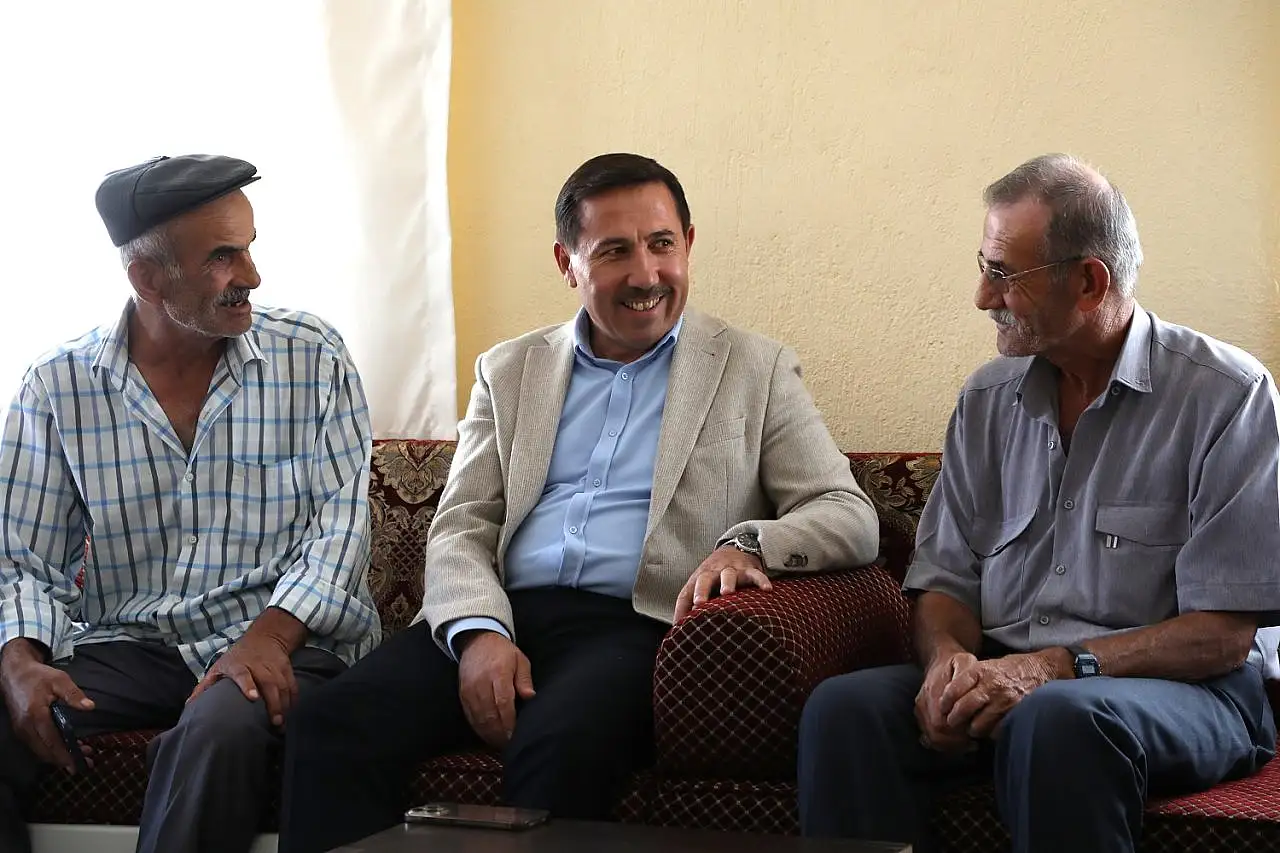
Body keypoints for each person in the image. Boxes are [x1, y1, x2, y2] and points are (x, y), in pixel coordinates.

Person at [279, 151, 880, 853]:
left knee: (558, 745)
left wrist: (747, 544)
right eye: (615, 251)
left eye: (662, 244)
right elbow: (462, 524)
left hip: (634, 625)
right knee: (329, 724)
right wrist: (478, 634)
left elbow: (847, 513)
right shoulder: (509, 369)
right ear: (567, 262)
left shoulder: (755, 368)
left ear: (689, 243)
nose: (646, 275)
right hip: (503, 610)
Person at [797, 153, 1280, 853]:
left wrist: (1053, 668)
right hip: (1010, 672)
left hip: (1192, 691)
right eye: (984, 266)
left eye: (1004, 274)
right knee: (844, 710)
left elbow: (1223, 635)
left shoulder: (1228, 396)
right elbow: (944, 582)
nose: (981, 296)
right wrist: (947, 665)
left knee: (1055, 720)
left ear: (1088, 282)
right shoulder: (987, 399)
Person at [0, 154, 381, 853]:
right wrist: (19, 660)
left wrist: (267, 640)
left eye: (250, 247)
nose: (253, 276)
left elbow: (341, 533)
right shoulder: (57, 386)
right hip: (131, 645)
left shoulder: (313, 357)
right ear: (148, 278)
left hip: (286, 640)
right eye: (223, 257)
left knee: (218, 730)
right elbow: (23, 557)